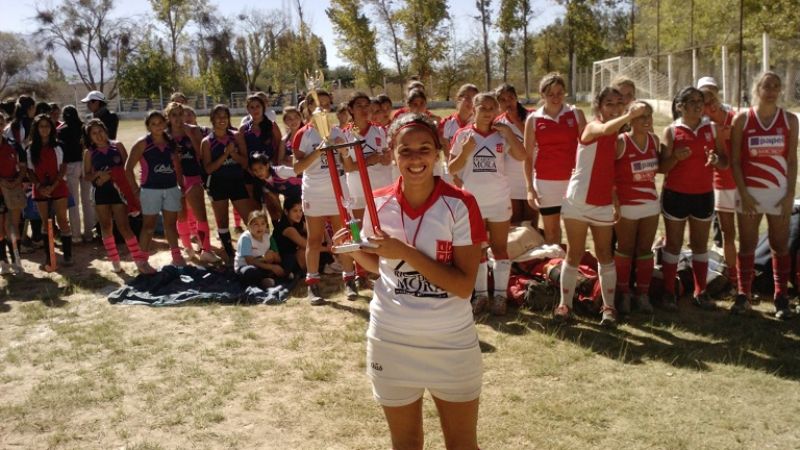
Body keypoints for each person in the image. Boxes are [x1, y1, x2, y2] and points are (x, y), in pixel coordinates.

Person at [334, 113, 486, 450]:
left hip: (450, 341)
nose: (415, 158)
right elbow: (381, 267)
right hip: (391, 339)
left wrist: (404, 251)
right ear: (392, 154)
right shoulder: (377, 203)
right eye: (405, 151)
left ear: (438, 152)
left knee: (462, 445)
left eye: (424, 149)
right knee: (405, 444)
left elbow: (463, 286)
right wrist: (355, 250)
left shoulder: (461, 204)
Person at [555, 88, 646, 327]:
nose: (615, 108)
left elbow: (608, 168)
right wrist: (629, 115)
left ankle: (608, 308)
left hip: (603, 203)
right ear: (599, 106)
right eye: (609, 104)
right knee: (574, 254)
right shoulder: (593, 127)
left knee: (605, 254)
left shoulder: (617, 136)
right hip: (577, 201)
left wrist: (614, 196)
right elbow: (605, 129)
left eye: (619, 103)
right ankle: (565, 305)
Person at [449, 92, 527, 316]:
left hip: (499, 200)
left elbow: (522, 155)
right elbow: (452, 169)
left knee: (500, 248)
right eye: (483, 108)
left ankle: (500, 296)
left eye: (492, 108)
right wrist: (465, 152)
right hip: (473, 203)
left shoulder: (502, 134)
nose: (488, 112)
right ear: (474, 110)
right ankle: (481, 295)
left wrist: (509, 134)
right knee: (478, 249)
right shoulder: (463, 135)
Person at [730, 72, 798, 320]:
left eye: (776, 87)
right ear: (757, 89)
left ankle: (781, 298)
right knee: (747, 244)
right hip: (749, 193)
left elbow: (792, 160)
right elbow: (735, 161)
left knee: (780, 245)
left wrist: (789, 195)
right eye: (766, 86)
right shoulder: (742, 119)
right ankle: (743, 295)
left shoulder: (789, 120)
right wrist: (744, 193)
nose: (771, 91)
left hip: (778, 193)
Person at [658, 86, 727, 311]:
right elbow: (661, 167)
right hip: (675, 195)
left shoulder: (713, 129)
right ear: (680, 106)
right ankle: (669, 292)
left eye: (700, 101)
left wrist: (716, 160)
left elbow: (725, 162)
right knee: (673, 244)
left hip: (703, 195)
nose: (698, 105)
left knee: (699, 245)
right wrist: (676, 158)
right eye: (692, 101)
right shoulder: (671, 131)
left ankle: (701, 291)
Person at [292, 89, 358, 304]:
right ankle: (312, 283)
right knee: (314, 239)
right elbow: (297, 168)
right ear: (309, 107)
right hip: (314, 192)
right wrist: (319, 151)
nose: (323, 108)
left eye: (327, 104)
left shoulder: (338, 131)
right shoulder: (303, 134)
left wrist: (343, 152)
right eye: (318, 104)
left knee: (343, 237)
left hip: (338, 191)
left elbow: (348, 166)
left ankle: (349, 280)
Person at [83, 119, 155, 274]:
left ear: (105, 131)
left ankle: (138, 260)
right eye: (94, 134)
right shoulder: (89, 152)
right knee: (105, 226)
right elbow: (86, 175)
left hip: (119, 192)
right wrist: (98, 174)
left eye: (100, 131)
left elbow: (127, 168)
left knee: (124, 226)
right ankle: (114, 260)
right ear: (90, 137)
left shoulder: (118, 146)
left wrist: (112, 176)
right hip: (100, 193)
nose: (98, 135)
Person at [524, 73, 586, 244]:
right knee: (551, 233)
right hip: (546, 183)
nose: (556, 98)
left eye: (559, 93)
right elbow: (527, 157)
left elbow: (587, 149)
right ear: (542, 95)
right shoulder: (533, 119)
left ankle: (573, 261)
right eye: (550, 94)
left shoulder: (576, 114)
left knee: (575, 233)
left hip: (573, 181)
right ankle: (555, 260)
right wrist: (530, 188)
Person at [613, 101, 660, 314]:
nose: (646, 120)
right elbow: (608, 173)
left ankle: (643, 295)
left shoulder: (654, 140)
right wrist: (614, 200)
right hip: (627, 205)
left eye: (648, 115)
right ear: (630, 119)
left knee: (645, 250)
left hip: (650, 204)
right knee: (625, 249)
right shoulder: (621, 142)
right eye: (640, 116)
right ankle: (624, 294)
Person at [125, 110, 185, 267]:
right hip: (150, 190)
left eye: (160, 123)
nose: (158, 126)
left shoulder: (170, 142)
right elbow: (128, 168)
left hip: (171, 188)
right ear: (148, 126)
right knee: (148, 226)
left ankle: (176, 256)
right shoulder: (142, 143)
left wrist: (181, 185)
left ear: (165, 123)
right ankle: (142, 259)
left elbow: (177, 166)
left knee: (170, 225)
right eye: (153, 124)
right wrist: (136, 190)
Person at [164, 102, 220, 264]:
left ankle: (206, 250)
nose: (178, 118)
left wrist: (191, 136)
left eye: (180, 114)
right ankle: (187, 248)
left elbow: (202, 154)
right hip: (173, 180)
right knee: (181, 216)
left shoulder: (193, 130)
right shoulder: (165, 135)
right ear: (168, 117)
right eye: (173, 115)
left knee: (200, 215)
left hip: (193, 176)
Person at [698, 77, 739, 291]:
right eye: (704, 99)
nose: (710, 103)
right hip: (722, 182)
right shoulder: (702, 123)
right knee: (727, 234)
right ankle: (733, 279)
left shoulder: (734, 115)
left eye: (712, 96)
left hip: (745, 181)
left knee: (748, 235)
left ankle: (744, 281)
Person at [200, 105, 252, 261]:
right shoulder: (207, 142)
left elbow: (245, 163)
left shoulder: (236, 136)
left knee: (249, 218)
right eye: (218, 117)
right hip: (217, 183)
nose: (222, 120)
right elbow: (209, 169)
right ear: (212, 119)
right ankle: (229, 252)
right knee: (222, 220)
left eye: (225, 116)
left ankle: (254, 249)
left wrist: (233, 154)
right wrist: (225, 155)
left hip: (236, 181)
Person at [25, 114, 73, 269]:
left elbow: (63, 167)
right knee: (46, 223)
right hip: (40, 189)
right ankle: (49, 258)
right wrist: (39, 186)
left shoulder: (59, 146)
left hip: (58, 186)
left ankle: (67, 255)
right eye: (41, 126)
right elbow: (30, 171)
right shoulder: (30, 149)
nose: (44, 129)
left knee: (62, 220)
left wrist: (54, 185)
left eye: (47, 126)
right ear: (36, 129)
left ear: (51, 128)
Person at [495, 83, 535, 225]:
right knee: (515, 223)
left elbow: (536, 141)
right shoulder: (498, 123)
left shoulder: (532, 116)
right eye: (503, 100)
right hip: (510, 179)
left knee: (531, 223)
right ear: (498, 103)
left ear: (517, 98)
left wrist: (516, 120)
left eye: (511, 98)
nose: (508, 102)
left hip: (532, 176)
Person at [58, 105, 95, 243]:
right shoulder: (84, 127)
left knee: (73, 202)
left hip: (71, 166)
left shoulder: (61, 130)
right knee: (87, 201)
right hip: (85, 163)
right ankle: (89, 233)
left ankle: (76, 235)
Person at [439, 84, 479, 186]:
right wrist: (455, 177)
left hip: (474, 172)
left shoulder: (479, 122)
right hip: (452, 171)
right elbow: (447, 152)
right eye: (468, 97)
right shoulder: (446, 122)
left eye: (475, 98)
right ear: (459, 98)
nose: (471, 102)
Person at [0, 112, 25, 272]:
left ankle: (17, 259)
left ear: (4, 125)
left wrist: (17, 180)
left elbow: (23, 166)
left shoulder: (13, 144)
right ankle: (3, 261)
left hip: (12, 190)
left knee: (13, 226)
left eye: (0, 123)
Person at [235, 210, 285, 289]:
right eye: (256, 224)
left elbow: (277, 257)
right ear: (249, 226)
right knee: (251, 272)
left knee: (286, 261)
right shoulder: (246, 238)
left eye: (263, 224)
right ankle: (263, 281)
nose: (260, 227)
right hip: (246, 266)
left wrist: (273, 256)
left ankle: (268, 277)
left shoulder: (268, 237)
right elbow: (249, 261)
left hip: (262, 265)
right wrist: (271, 266)